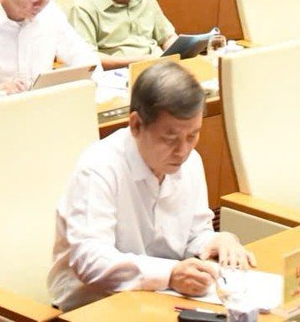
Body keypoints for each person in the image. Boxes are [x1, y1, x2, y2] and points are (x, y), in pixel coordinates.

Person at [46, 59, 253, 308]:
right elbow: (91, 260)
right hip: (93, 306)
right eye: (170, 138)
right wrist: (170, 275)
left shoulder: (190, 162)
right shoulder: (99, 167)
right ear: (135, 125)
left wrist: (216, 242)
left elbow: (195, 233)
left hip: (161, 299)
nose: (183, 151)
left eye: (192, 135)